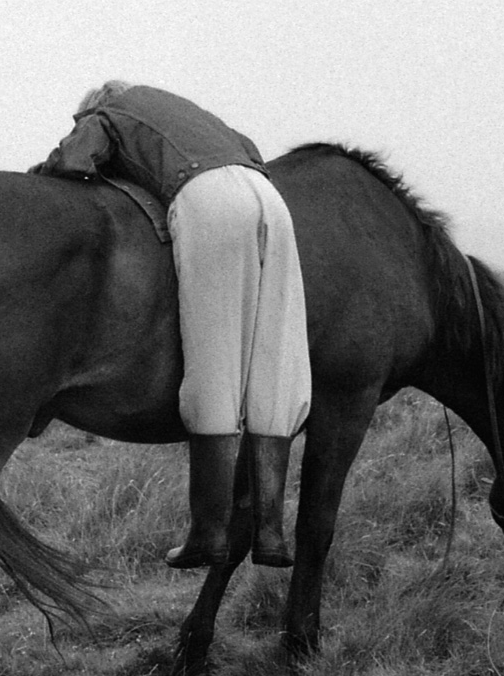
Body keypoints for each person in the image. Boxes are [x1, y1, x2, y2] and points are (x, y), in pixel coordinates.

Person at [34, 81, 311, 568]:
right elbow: (252, 150)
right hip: (268, 199)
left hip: (206, 199)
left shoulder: (106, 112)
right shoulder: (192, 113)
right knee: (274, 364)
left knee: (214, 358)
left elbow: (76, 161)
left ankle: (208, 533)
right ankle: (270, 535)